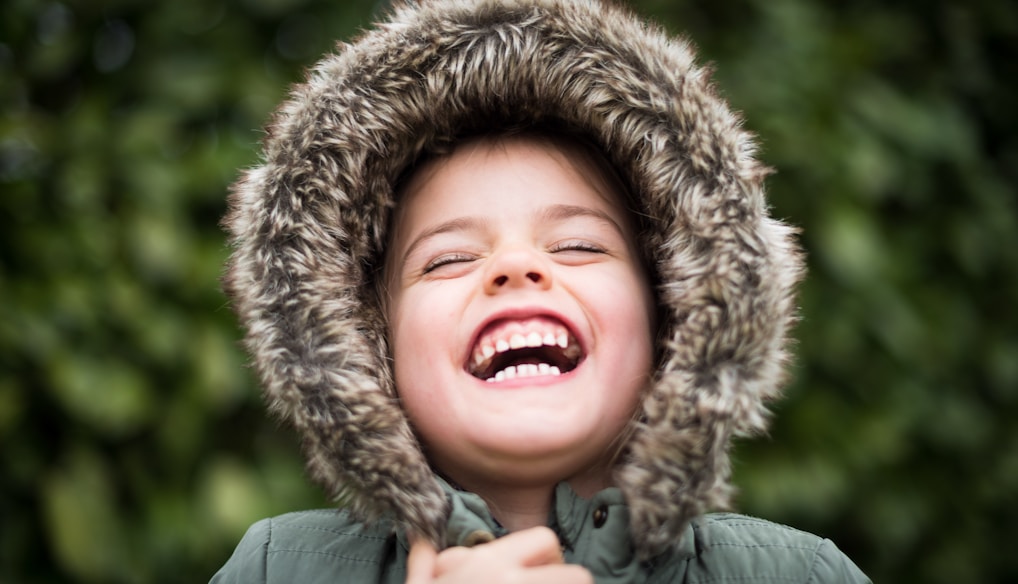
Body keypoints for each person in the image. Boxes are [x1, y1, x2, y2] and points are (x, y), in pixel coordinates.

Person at [211, 0, 870, 582]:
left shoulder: (799, 573)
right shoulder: (277, 567)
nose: (516, 267)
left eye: (579, 246)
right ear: (366, 346)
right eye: (448, 259)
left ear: (673, 319)